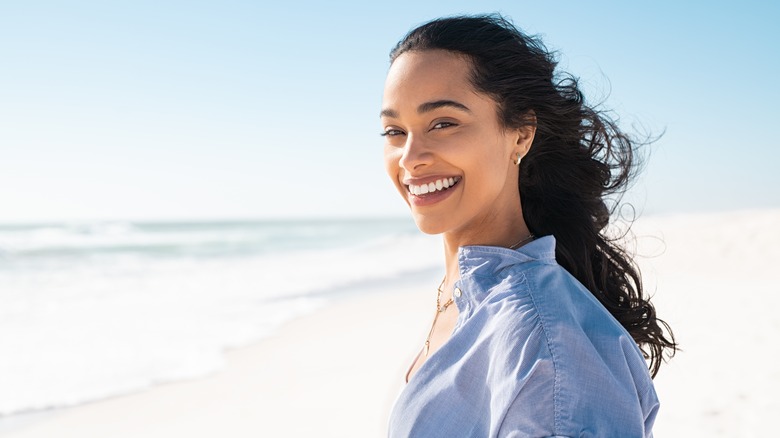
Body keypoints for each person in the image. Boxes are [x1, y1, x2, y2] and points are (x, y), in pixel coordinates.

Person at [380, 14, 677, 437]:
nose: (410, 157)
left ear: (521, 134)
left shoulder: (545, 346)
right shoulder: (465, 293)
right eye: (394, 131)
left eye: (443, 123)